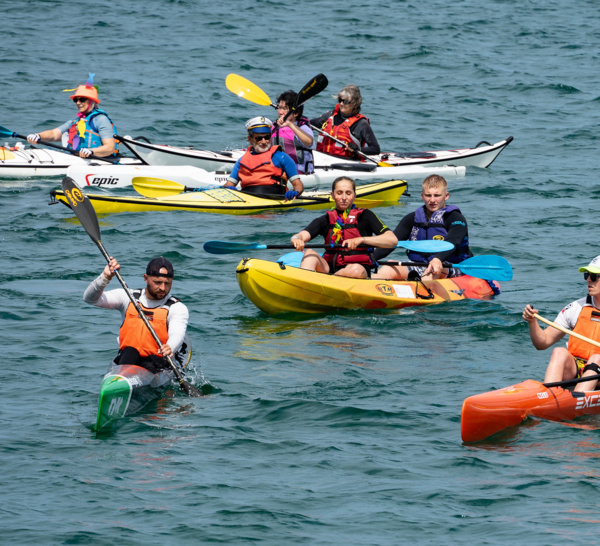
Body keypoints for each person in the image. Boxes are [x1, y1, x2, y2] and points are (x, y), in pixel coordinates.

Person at [83, 256, 189, 373]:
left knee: (152, 359)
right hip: (128, 359)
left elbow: (177, 332)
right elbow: (90, 299)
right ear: (146, 278)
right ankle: (122, 380)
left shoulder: (176, 307)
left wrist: (171, 346)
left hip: (158, 361)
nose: (163, 288)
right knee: (129, 351)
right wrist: (105, 277)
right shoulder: (129, 297)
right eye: (157, 282)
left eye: (167, 283)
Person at [290, 176, 397, 278]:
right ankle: (304, 287)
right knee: (309, 254)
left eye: (348, 193)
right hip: (329, 268)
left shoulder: (366, 216)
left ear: (354, 195)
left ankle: (329, 281)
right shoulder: (326, 219)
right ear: (332, 195)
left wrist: (361, 240)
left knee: (356, 270)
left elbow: (392, 240)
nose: (344, 198)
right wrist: (296, 239)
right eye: (339, 193)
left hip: (358, 271)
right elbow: (302, 235)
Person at [372, 174, 472, 280]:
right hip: (420, 264)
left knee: (433, 269)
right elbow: (392, 242)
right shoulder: (412, 218)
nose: (432, 200)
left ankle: (422, 290)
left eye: (437, 195)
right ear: (422, 196)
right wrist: (370, 257)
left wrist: (438, 259)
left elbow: (453, 242)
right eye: (428, 195)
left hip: (450, 266)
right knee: (389, 266)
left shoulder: (455, 218)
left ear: (446, 196)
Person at [523, 256, 600, 392]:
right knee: (559, 352)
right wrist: (532, 322)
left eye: (594, 276)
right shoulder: (576, 308)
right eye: (587, 275)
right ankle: (548, 396)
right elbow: (543, 342)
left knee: (596, 358)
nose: (588, 280)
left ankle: (577, 399)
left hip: (597, 369)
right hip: (578, 368)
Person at [26, 73, 118, 158]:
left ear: (92, 101)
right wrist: (38, 136)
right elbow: (54, 134)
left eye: (82, 99)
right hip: (77, 158)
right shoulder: (76, 122)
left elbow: (109, 148)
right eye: (75, 100)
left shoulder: (101, 119)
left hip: (97, 160)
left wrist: (91, 151)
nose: (78, 103)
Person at [225, 116, 304, 199]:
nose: (263, 142)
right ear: (250, 139)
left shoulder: (282, 158)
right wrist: (228, 189)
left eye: (267, 137)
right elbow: (228, 185)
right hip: (247, 199)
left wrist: (295, 192)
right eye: (259, 138)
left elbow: (299, 185)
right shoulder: (241, 161)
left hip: (276, 201)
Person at [310, 84, 380, 159]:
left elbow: (375, 149)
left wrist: (358, 149)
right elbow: (309, 125)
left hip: (345, 164)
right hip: (322, 159)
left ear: (355, 104)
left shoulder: (361, 123)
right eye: (340, 100)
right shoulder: (330, 115)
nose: (341, 103)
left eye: (346, 101)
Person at [271, 89, 315, 174]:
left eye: (285, 109)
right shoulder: (273, 127)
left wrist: (290, 124)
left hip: (299, 171)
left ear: (295, 113)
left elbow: (309, 142)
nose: (280, 112)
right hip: (278, 169)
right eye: (279, 107)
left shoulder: (302, 128)